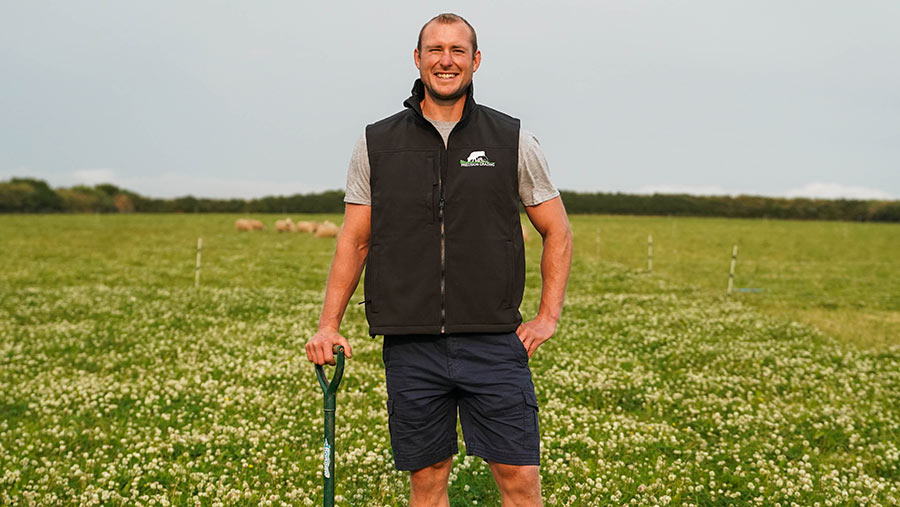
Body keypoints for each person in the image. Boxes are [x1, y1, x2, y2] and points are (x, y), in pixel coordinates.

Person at [305, 13, 573, 506]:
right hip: (412, 345)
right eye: (435, 50)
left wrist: (548, 316)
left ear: (475, 61)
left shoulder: (513, 140)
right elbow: (355, 239)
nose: (445, 61)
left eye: (456, 51)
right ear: (417, 58)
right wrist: (328, 325)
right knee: (427, 480)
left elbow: (556, 229)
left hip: (494, 342)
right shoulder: (376, 143)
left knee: (519, 479)